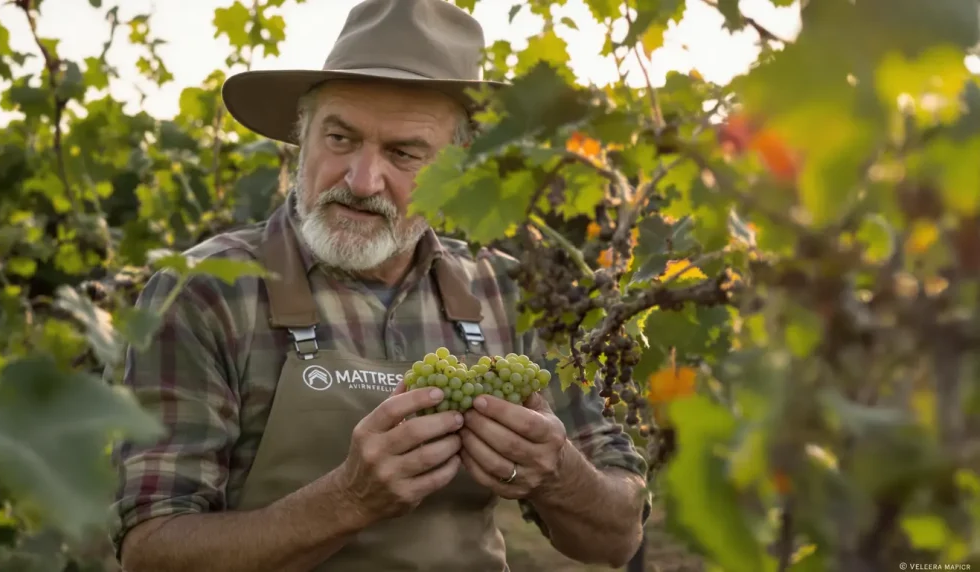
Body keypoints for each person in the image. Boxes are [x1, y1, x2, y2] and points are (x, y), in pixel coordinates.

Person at [108, 0, 651, 570]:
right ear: (303, 135)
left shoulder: (510, 293)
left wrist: (558, 474)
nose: (362, 180)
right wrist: (347, 500)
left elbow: (617, 538)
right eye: (339, 139)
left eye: (403, 153)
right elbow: (152, 551)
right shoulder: (206, 293)